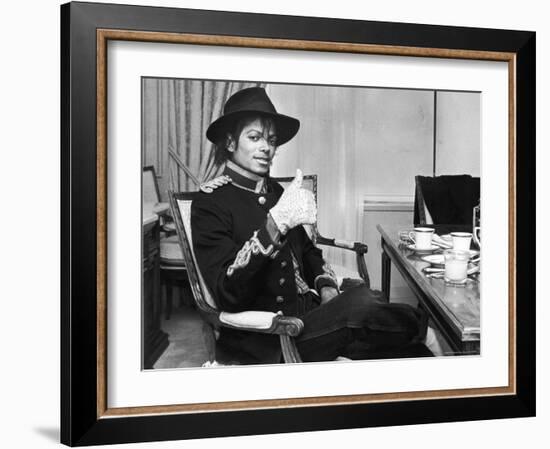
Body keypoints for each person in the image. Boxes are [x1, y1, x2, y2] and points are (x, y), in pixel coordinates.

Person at [191, 86, 442, 364]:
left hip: (311, 320)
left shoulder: (277, 192)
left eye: (271, 140)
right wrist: (273, 226)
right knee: (362, 302)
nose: (267, 148)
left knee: (411, 353)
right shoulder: (210, 203)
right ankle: (424, 329)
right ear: (229, 143)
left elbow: (309, 253)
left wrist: (326, 288)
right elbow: (227, 293)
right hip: (270, 339)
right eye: (255, 137)